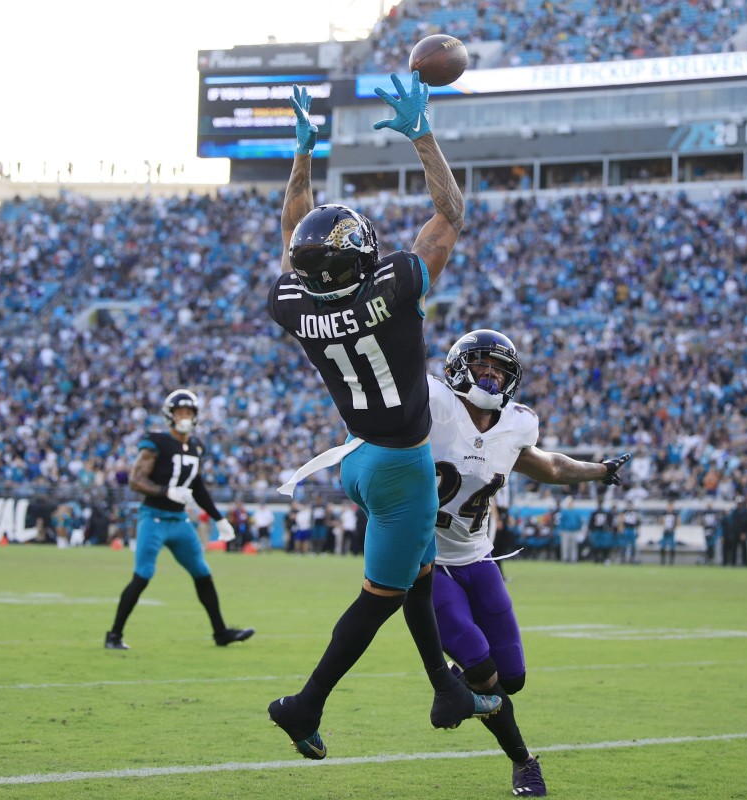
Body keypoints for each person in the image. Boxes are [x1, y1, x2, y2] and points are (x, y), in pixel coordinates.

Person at [266, 75, 501, 760]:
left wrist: (302, 155)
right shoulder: (395, 287)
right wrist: (423, 135)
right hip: (401, 468)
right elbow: (450, 215)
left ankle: (444, 686)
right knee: (381, 597)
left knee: (420, 574)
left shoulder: (292, 305)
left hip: (358, 458)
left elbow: (292, 235)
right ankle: (303, 705)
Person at [428, 329, 631, 797]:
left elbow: (552, 468)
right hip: (429, 562)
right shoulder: (432, 406)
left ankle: (459, 689)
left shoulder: (515, 425)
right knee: (483, 668)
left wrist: (598, 470)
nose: (492, 376)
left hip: (479, 559)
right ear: (459, 367)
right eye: (483, 366)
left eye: (501, 370)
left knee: (511, 678)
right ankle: (525, 763)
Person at [105, 389, 251, 652]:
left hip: (180, 520)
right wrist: (166, 491)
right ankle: (113, 635)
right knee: (143, 575)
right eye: (180, 412)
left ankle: (220, 632)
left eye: (188, 412)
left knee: (203, 573)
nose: (184, 416)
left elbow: (197, 485)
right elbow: (135, 480)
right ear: (170, 416)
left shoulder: (195, 446)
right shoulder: (156, 442)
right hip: (154, 518)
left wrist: (219, 519)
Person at [726, 496, 747, 567]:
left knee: (744, 550)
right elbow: (732, 524)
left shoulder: (746, 512)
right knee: (734, 550)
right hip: (735, 534)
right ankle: (733, 564)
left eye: (741, 503)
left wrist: (745, 533)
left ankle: (745, 564)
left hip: (744, 534)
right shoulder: (734, 512)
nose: (739, 504)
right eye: (738, 503)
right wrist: (737, 533)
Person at [660, 501, 678, 565]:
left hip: (671, 532)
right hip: (665, 531)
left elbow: (678, 521)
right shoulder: (664, 513)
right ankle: (663, 561)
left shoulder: (675, 514)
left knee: (672, 547)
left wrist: (674, 528)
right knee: (662, 546)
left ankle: (671, 562)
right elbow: (661, 521)